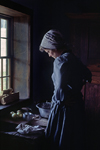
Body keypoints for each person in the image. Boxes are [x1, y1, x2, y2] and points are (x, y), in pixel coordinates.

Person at [39, 29, 92, 150]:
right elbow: (87, 75)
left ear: (54, 47)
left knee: (62, 139)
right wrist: (76, 88)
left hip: (65, 108)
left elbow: (60, 87)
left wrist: (60, 101)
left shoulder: (60, 61)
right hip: (77, 104)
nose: (49, 55)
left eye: (48, 51)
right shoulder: (73, 57)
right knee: (75, 139)